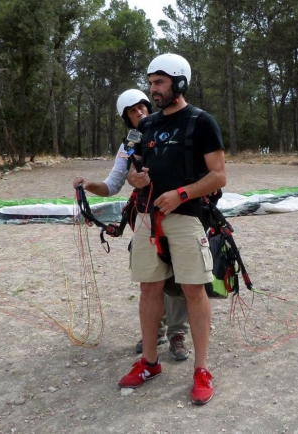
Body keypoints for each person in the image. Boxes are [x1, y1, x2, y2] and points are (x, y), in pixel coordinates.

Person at [118, 54, 226, 405]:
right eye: (151, 83)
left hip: (186, 219)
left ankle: (201, 369)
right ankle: (150, 362)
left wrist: (182, 194)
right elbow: (136, 170)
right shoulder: (146, 127)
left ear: (179, 82)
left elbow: (219, 176)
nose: (153, 90)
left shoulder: (201, 122)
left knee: (194, 292)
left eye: (159, 82)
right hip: (148, 219)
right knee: (149, 289)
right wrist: (135, 178)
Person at [71, 89, 191, 361]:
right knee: (152, 279)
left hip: (180, 212)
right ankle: (155, 331)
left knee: (180, 277)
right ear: (127, 118)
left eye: (142, 107)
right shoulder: (128, 147)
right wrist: (89, 185)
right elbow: (113, 184)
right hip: (147, 217)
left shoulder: (173, 133)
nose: (140, 113)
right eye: (133, 111)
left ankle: (177, 333)